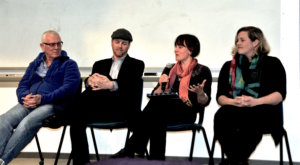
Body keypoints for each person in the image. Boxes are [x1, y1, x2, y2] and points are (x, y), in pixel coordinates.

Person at [112, 34, 212, 160]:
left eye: (180, 47)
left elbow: (205, 102)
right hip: (164, 111)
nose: (176, 49)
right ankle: (154, 159)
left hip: (187, 111)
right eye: (176, 46)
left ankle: (133, 148)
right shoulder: (170, 68)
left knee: (156, 109)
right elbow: (156, 94)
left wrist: (200, 93)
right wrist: (160, 84)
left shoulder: (202, 70)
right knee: (157, 113)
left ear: (190, 50)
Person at [0, 30, 81, 165]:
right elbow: (22, 84)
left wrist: (42, 99)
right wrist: (24, 97)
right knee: (3, 120)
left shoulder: (69, 64)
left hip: (53, 104)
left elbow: (68, 89)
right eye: (52, 44)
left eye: (59, 44)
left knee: (26, 124)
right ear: (42, 46)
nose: (56, 48)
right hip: (30, 102)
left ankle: (2, 161)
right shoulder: (35, 63)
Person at [69, 28, 145, 165]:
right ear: (111, 43)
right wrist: (88, 81)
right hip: (99, 107)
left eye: (124, 43)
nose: (120, 46)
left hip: (123, 109)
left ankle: (63, 113)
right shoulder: (99, 64)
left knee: (80, 103)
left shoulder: (137, 64)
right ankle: (81, 163)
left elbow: (130, 87)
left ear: (129, 46)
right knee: (77, 116)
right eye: (117, 42)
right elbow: (93, 85)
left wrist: (111, 85)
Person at [213, 26, 286, 165]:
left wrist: (255, 101)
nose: (237, 43)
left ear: (255, 42)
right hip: (236, 108)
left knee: (250, 117)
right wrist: (233, 101)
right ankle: (237, 160)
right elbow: (220, 97)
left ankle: (235, 161)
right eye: (237, 40)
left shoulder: (272, 64)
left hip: (264, 109)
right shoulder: (229, 66)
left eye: (242, 40)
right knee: (221, 115)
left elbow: (279, 95)